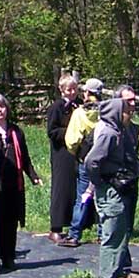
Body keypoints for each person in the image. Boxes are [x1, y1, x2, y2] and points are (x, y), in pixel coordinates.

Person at [83, 87, 139, 278]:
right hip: (110, 191)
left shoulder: (118, 130)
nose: (130, 113)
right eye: (126, 109)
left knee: (119, 232)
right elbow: (91, 161)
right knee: (112, 234)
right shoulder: (109, 133)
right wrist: (100, 181)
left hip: (115, 188)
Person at [0, 93, 42, 271]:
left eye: (2, 106)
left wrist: (33, 176)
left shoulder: (16, 131)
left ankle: (9, 257)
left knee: (11, 223)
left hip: (13, 185)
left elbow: (25, 157)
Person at [61, 78, 104, 246]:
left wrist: (76, 152)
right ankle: (103, 233)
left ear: (87, 92)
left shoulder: (80, 113)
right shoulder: (106, 111)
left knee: (83, 196)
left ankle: (74, 234)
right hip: (104, 160)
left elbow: (71, 140)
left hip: (86, 159)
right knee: (102, 196)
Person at [44, 72, 82, 244]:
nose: (72, 92)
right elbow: (52, 132)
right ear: (61, 90)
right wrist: (71, 131)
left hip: (78, 151)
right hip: (61, 153)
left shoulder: (80, 106)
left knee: (78, 188)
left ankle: (79, 224)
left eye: (74, 89)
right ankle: (56, 227)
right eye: (69, 90)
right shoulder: (55, 108)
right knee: (61, 189)